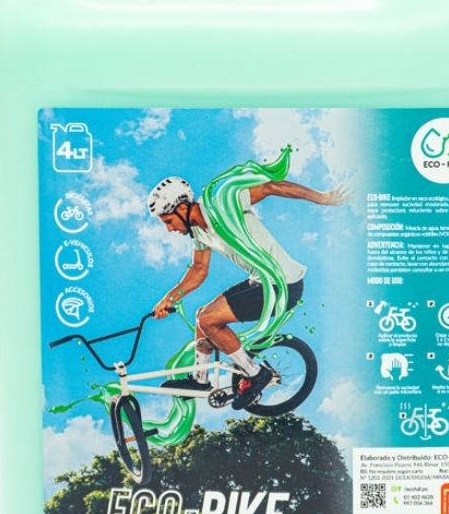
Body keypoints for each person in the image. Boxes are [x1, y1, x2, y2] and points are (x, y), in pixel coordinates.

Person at [147, 174, 348, 409]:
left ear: (182, 208)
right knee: (202, 316)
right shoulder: (199, 233)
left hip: (284, 284)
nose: (169, 229)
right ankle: (200, 381)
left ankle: (256, 374)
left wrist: (322, 198)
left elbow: (270, 187)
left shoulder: (222, 205)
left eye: (169, 221)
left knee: (209, 319)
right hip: (260, 281)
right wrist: (168, 299)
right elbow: (199, 269)